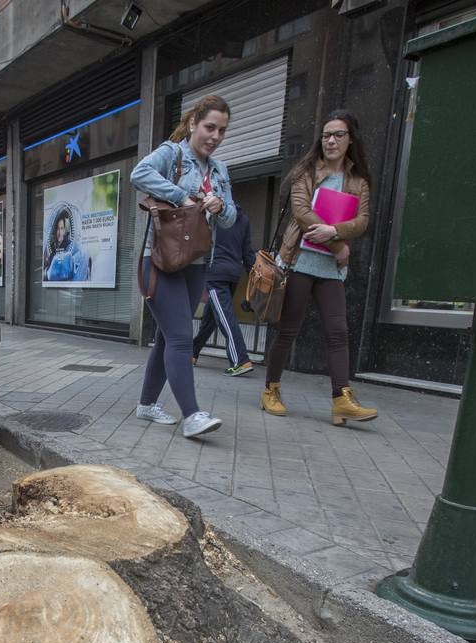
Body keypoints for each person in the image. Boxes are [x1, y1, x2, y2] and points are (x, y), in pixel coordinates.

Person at [260, 109, 378, 426]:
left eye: (338, 134)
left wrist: (335, 232)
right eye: (326, 134)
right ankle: (270, 389)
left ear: (350, 139)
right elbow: (301, 212)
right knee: (288, 331)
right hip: (300, 261)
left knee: (338, 333)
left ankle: (342, 399)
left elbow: (362, 221)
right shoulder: (307, 172)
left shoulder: (358, 181)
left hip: (331, 270)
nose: (331, 140)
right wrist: (337, 243)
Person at [129, 95, 236, 439]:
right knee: (179, 337)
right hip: (159, 261)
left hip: (197, 263)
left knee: (166, 337)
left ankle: (146, 404)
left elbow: (232, 218)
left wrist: (219, 207)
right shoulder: (173, 153)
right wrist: (181, 196)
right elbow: (139, 173)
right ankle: (192, 415)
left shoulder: (220, 170)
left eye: (221, 130)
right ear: (193, 124)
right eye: (209, 127)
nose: (215, 136)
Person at [191, 202, 255, 377]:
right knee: (210, 317)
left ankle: (240, 359)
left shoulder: (213, 217)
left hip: (215, 273)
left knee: (225, 317)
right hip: (234, 274)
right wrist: (253, 277)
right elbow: (248, 252)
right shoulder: (243, 219)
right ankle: (192, 352)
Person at [43, 204, 90, 282]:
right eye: (57, 228)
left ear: (64, 230)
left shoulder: (71, 248)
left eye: (61, 228)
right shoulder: (49, 248)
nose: (59, 232)